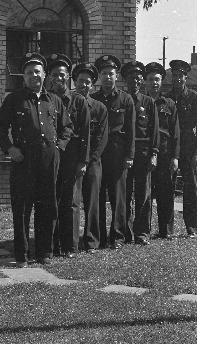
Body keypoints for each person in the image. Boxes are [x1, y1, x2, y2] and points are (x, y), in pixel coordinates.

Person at [0, 52, 73, 267]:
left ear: (44, 75)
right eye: (29, 72)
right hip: (23, 160)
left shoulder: (54, 100)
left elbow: (67, 127)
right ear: (24, 77)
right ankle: (22, 256)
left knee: (47, 206)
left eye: (37, 72)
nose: (33, 76)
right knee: (22, 208)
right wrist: (10, 148)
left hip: (48, 160)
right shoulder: (14, 99)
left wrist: (59, 146)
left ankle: (43, 252)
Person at [48, 54, 91, 258]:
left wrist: (83, 161)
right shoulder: (45, 99)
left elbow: (85, 133)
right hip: (51, 156)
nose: (59, 79)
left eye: (62, 75)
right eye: (55, 75)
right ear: (50, 77)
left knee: (71, 202)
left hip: (72, 156)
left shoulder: (78, 101)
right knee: (51, 199)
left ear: (68, 78)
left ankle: (70, 246)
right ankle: (52, 245)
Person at [90, 55, 135, 250]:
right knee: (98, 196)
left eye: (111, 74)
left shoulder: (125, 99)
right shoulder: (93, 99)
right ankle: (98, 237)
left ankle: (117, 237)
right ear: (99, 77)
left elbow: (131, 130)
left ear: (117, 76)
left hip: (118, 152)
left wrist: (129, 156)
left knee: (118, 197)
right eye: (104, 74)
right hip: (99, 153)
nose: (108, 77)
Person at [121, 61, 159, 246]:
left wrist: (154, 153)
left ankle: (142, 232)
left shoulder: (148, 102)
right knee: (125, 193)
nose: (134, 81)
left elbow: (154, 130)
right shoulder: (121, 99)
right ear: (125, 80)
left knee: (143, 194)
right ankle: (126, 232)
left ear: (142, 80)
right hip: (126, 153)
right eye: (130, 78)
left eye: (137, 78)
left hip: (144, 152)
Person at [72, 62, 108, 253]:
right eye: (80, 81)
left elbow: (102, 137)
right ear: (74, 82)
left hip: (93, 162)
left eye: (87, 82)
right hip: (74, 161)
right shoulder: (69, 103)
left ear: (92, 85)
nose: (83, 85)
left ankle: (92, 241)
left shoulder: (99, 108)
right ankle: (72, 242)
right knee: (73, 201)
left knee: (92, 202)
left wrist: (88, 160)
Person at [166, 60, 197, 238]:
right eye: (175, 76)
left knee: (190, 188)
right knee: (168, 188)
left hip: (188, 148)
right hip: (172, 147)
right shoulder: (167, 97)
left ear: (185, 78)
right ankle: (167, 229)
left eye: (181, 76)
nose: (178, 79)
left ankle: (192, 228)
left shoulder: (193, 96)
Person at [144, 62, 180, 240]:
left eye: (157, 79)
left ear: (161, 82)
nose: (154, 83)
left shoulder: (170, 104)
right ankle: (145, 230)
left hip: (165, 154)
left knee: (166, 193)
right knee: (146, 194)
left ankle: (166, 231)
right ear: (145, 82)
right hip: (146, 153)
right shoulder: (141, 103)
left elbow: (175, 133)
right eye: (150, 79)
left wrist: (175, 157)